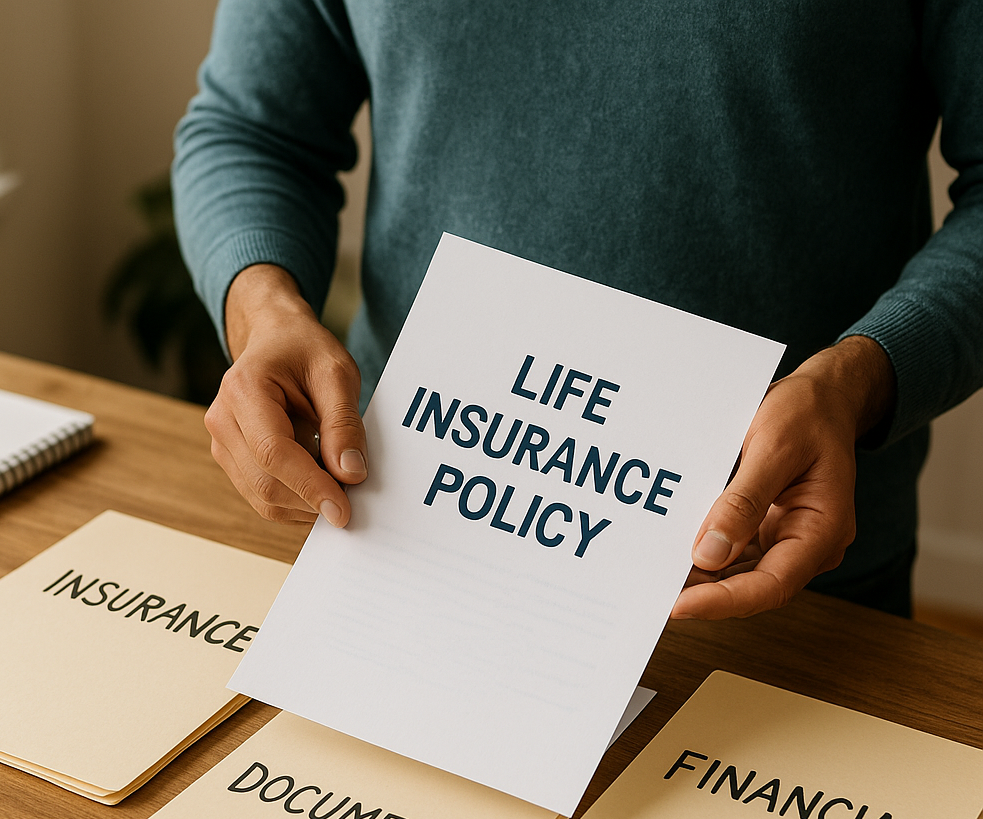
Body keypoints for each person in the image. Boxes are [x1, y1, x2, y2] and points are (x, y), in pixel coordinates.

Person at [173, 1, 983, 621]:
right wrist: (264, 309)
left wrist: (860, 379)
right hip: (407, 519)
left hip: (775, 562)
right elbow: (253, 127)